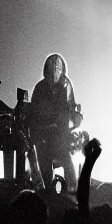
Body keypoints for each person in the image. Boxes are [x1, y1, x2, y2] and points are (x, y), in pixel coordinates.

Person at [28, 53, 82, 191]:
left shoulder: (66, 84)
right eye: (52, 67)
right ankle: (48, 190)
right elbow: (34, 113)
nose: (55, 70)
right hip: (43, 133)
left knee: (66, 159)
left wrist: (73, 120)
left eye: (58, 67)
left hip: (60, 133)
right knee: (45, 161)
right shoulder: (40, 87)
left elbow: (70, 108)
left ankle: (71, 189)